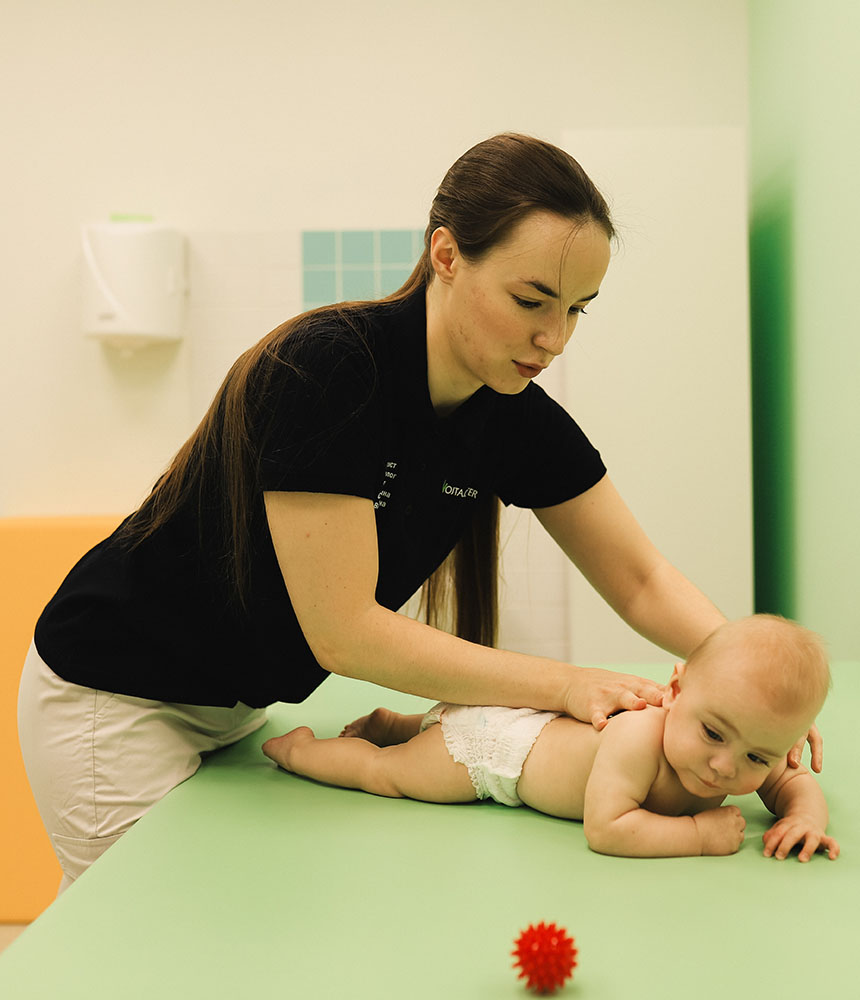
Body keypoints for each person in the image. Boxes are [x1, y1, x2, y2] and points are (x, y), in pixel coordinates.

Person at [17, 134, 803, 892]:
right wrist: (566, 685)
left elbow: (640, 578)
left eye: (577, 310)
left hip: (231, 703)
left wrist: (745, 692)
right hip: (116, 693)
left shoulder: (512, 411)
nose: (554, 337)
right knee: (139, 937)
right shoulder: (330, 369)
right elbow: (345, 631)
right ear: (447, 256)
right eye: (531, 300)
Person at [262, 615, 838, 861]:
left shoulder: (742, 744)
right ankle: (303, 752)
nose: (724, 767)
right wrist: (697, 835)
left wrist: (805, 818)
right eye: (713, 733)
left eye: (756, 756)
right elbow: (606, 829)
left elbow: (791, 782)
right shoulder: (639, 738)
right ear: (675, 690)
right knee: (386, 774)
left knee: (417, 738)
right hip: (491, 756)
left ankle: (395, 724)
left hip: (523, 723)